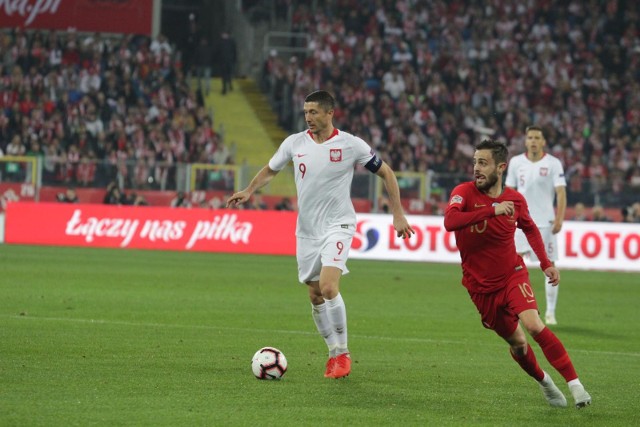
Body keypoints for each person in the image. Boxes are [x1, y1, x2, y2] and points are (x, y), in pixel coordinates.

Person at [227, 90, 415, 379]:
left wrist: (398, 213)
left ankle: (343, 354)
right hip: (307, 231)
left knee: (328, 287)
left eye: (314, 112)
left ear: (330, 113)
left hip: (338, 224)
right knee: (315, 295)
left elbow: (386, 172)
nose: (308, 118)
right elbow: (270, 169)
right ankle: (332, 352)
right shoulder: (295, 142)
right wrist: (248, 190)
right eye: (305, 112)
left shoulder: (350, 144)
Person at [444, 139, 591, 409]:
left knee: (534, 325)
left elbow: (531, 229)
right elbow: (450, 222)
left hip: (512, 275)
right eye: (475, 162)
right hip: (480, 288)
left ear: (501, 168)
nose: (476, 168)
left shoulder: (514, 199)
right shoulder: (463, 193)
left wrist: (546, 263)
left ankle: (575, 385)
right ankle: (544, 381)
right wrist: (491, 210)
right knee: (519, 344)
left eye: (483, 163)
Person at [505, 125, 567, 326]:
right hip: (521, 222)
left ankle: (550, 312)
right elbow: (509, 190)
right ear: (525, 141)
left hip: (546, 223)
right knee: (513, 264)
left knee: (549, 266)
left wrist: (559, 218)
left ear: (543, 142)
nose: (532, 140)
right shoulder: (516, 163)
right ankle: (514, 307)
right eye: (529, 137)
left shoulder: (553, 163)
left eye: (536, 137)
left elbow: (561, 193)